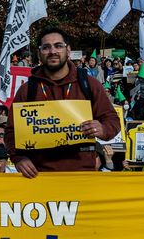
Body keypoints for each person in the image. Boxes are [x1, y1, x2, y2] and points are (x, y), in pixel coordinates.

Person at [8, 28, 121, 177]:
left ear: (68, 50)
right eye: (46, 47)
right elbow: (11, 131)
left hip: (82, 174)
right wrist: (18, 158)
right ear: (39, 53)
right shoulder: (27, 89)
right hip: (38, 176)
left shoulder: (89, 84)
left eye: (58, 46)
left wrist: (103, 129)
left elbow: (112, 120)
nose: (52, 51)